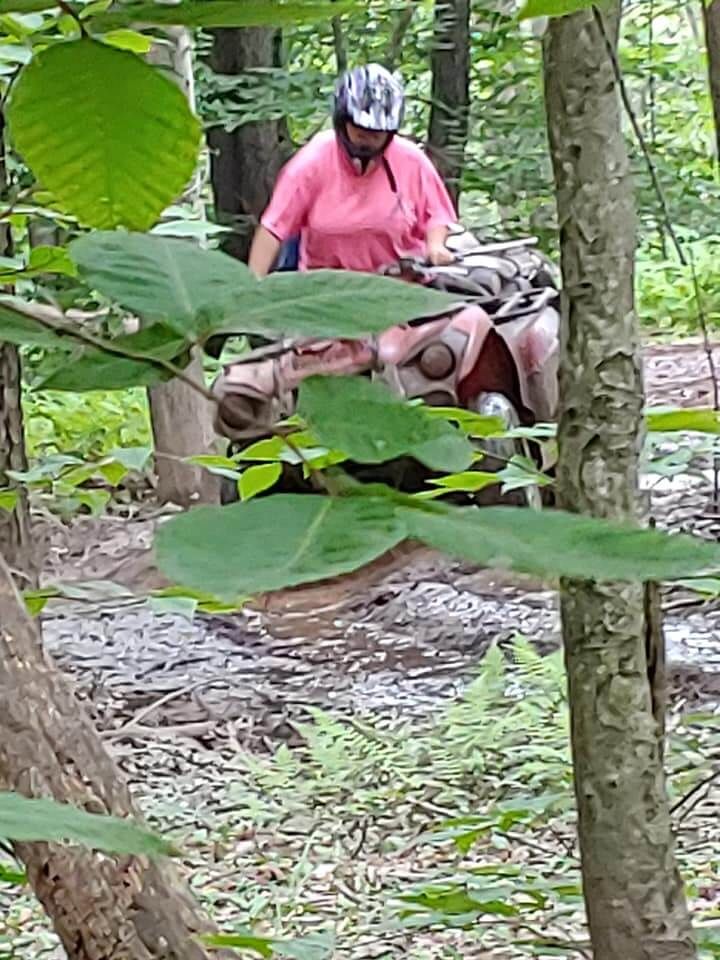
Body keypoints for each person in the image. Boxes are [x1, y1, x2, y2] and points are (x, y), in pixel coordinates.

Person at [248, 63, 458, 278]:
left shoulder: (411, 160)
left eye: (377, 134)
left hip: (402, 285)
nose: (368, 139)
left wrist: (435, 246)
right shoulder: (312, 161)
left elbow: (437, 215)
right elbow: (273, 228)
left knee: (474, 313)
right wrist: (251, 289)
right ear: (343, 121)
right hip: (330, 291)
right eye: (360, 131)